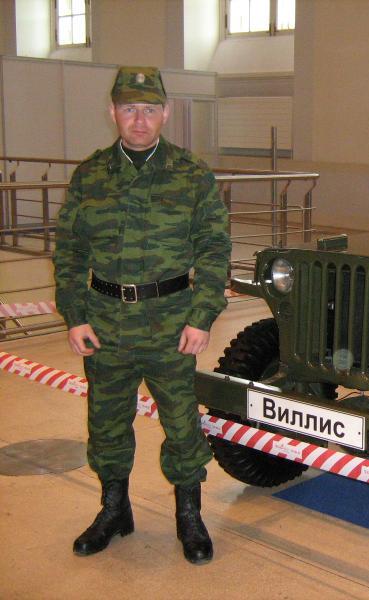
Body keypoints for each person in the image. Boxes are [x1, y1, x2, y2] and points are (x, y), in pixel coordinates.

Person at [53, 66, 231, 565]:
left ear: (165, 113)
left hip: (172, 324)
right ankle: (114, 510)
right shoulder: (91, 175)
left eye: (149, 109)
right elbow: (68, 250)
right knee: (107, 422)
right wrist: (74, 314)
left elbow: (215, 249)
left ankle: (189, 517)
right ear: (112, 112)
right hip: (104, 323)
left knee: (181, 425)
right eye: (129, 108)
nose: (139, 119)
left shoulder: (192, 175)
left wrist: (203, 315)